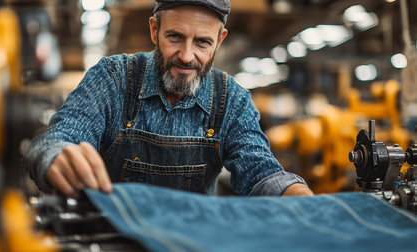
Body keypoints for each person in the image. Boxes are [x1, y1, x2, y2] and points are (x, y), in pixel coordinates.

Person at [25, 0, 314, 197]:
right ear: (154, 29)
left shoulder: (232, 100)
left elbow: (260, 171)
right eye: (175, 37)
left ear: (220, 39)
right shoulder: (113, 79)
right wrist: (56, 157)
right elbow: (53, 140)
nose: (187, 56)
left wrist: (296, 195)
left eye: (202, 42)